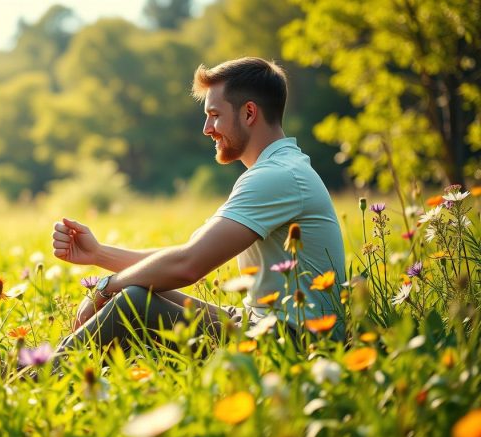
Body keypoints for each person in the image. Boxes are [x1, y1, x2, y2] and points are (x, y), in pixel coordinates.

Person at [51, 57, 346, 356]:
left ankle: (33, 375)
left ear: (249, 113)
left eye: (214, 114)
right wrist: (98, 254)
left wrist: (105, 286)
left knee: (133, 304)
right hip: (257, 322)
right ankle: (52, 367)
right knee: (144, 291)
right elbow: (187, 253)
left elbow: (188, 265)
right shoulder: (276, 169)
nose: (207, 128)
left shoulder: (277, 176)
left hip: (295, 343)